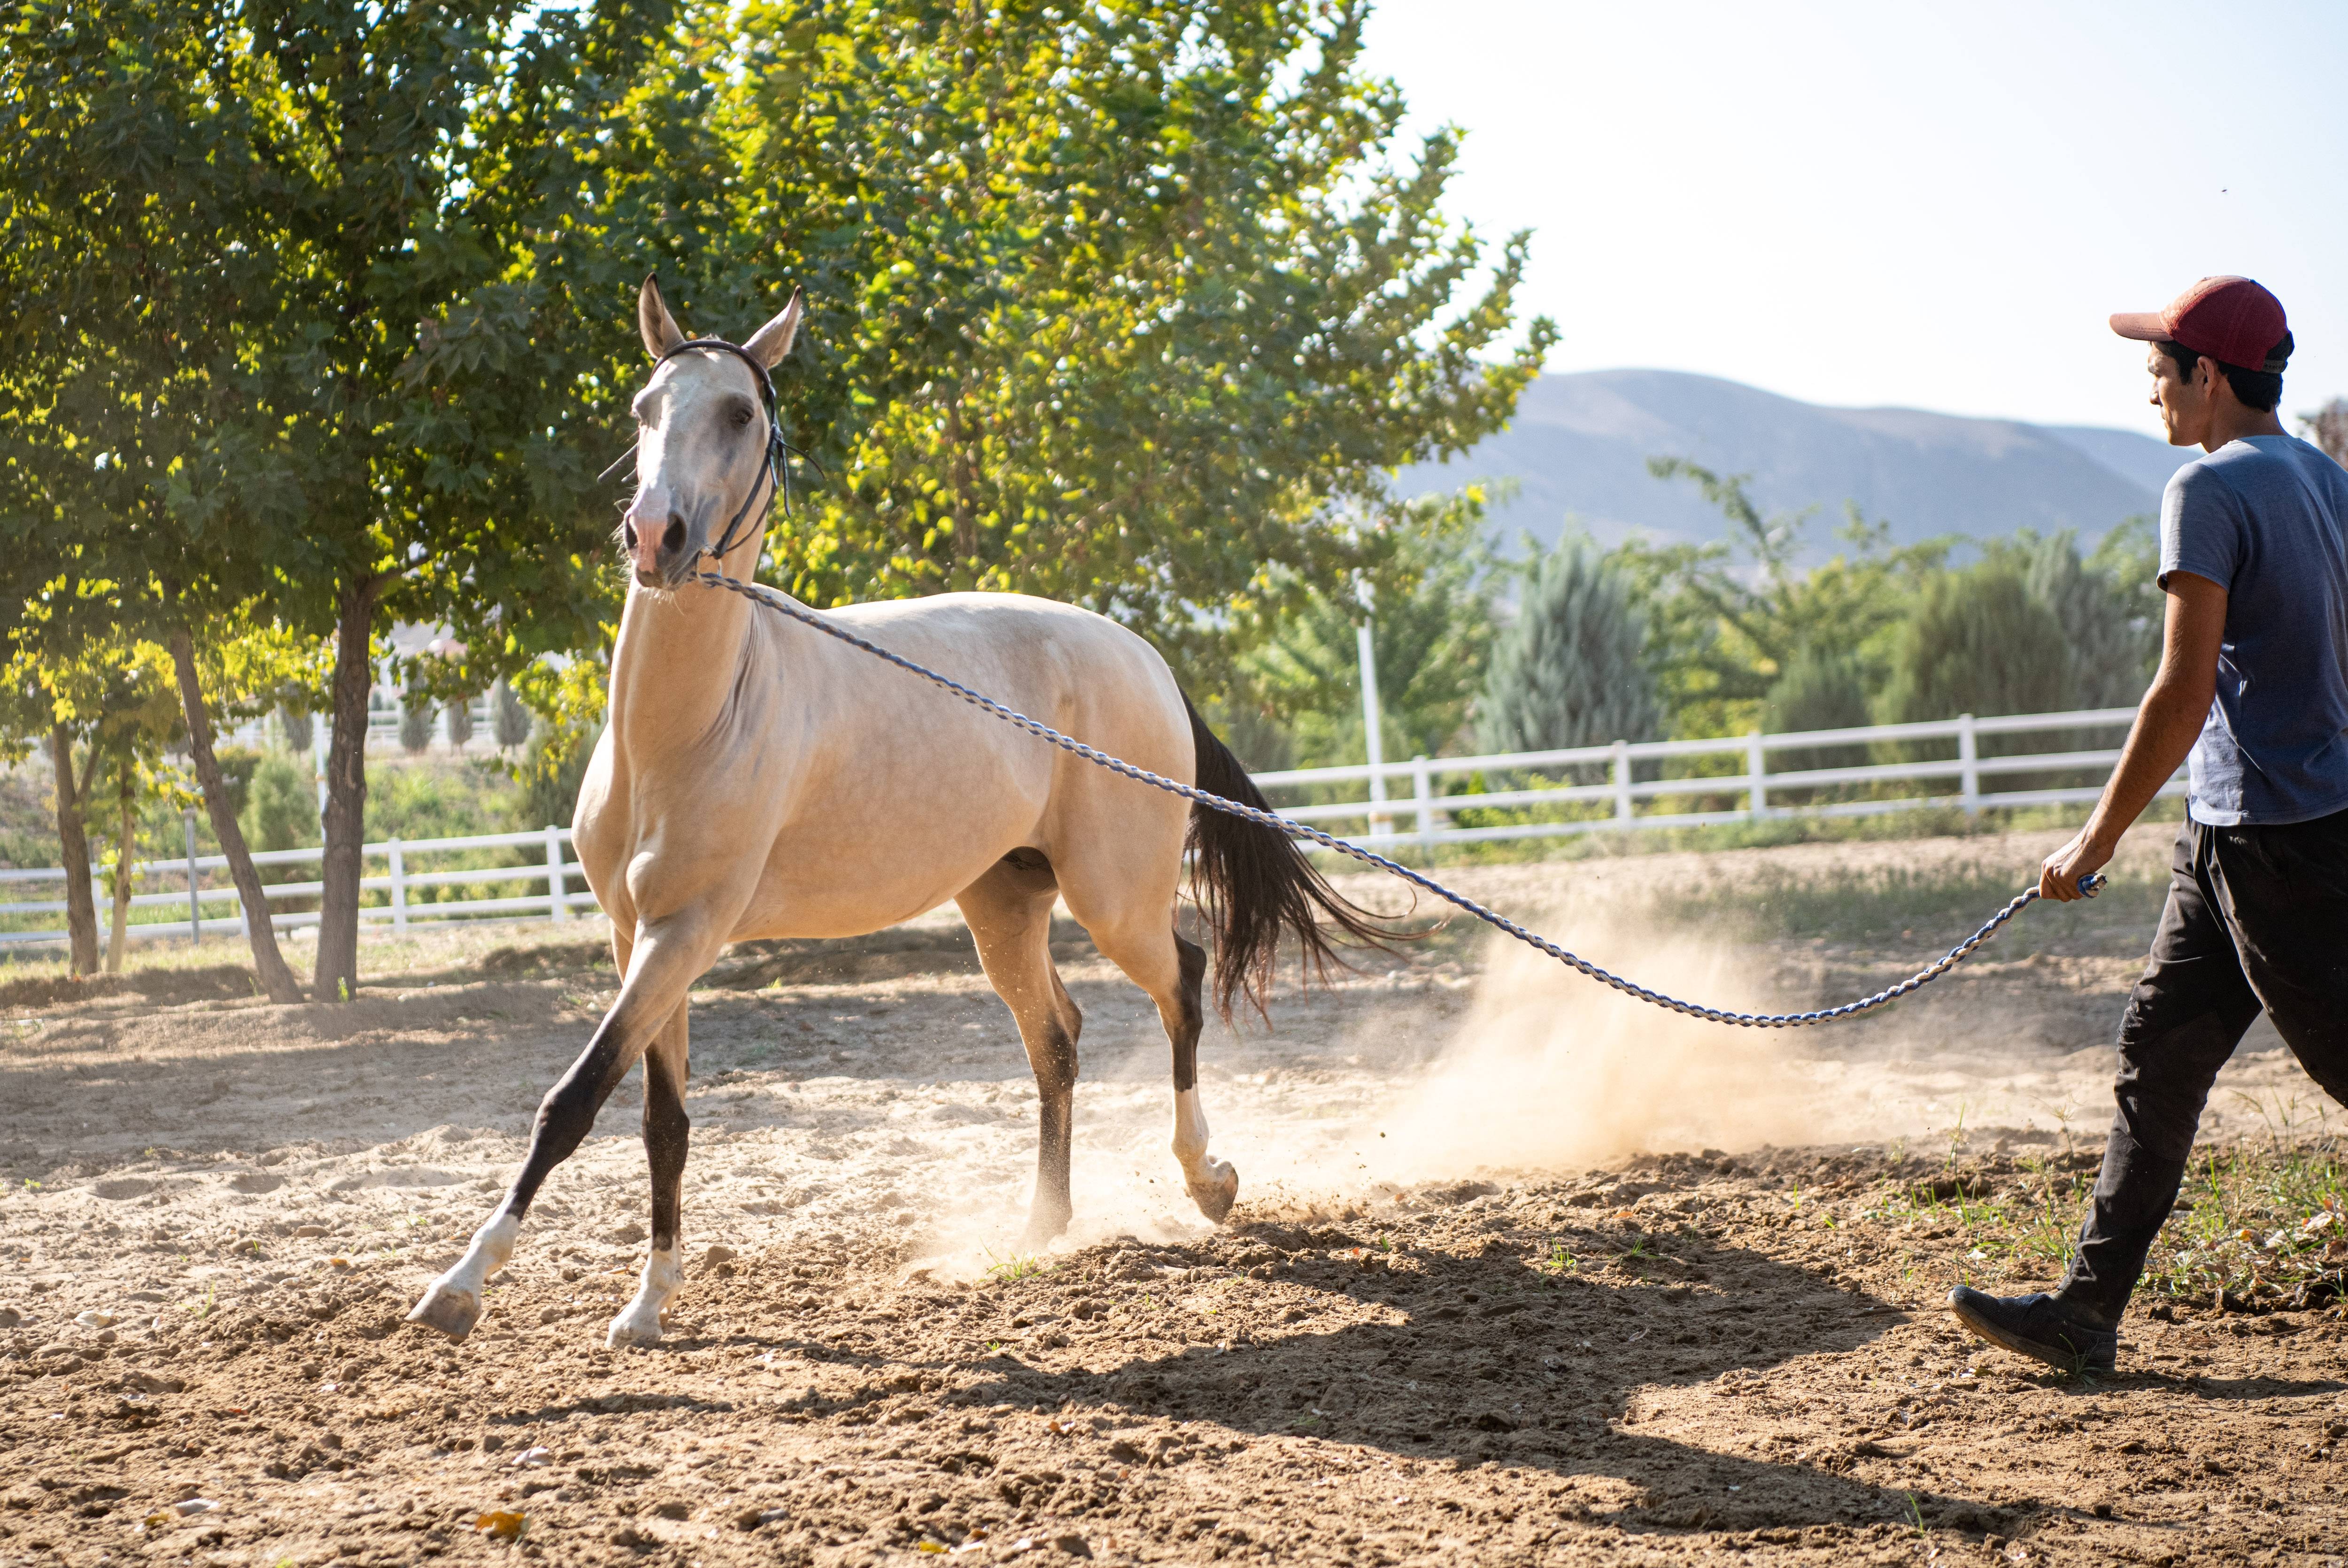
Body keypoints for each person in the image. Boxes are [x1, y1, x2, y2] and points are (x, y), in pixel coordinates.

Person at [1947, 276, 2348, 1374]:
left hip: (2278, 837)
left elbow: (2178, 690)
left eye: (2159, 374)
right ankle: (2085, 1311)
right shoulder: (2327, 478)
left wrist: (2092, 838)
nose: (2152, 396)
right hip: (2241, 828)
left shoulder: (2206, 487)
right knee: (2159, 1054)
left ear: (2208, 377)